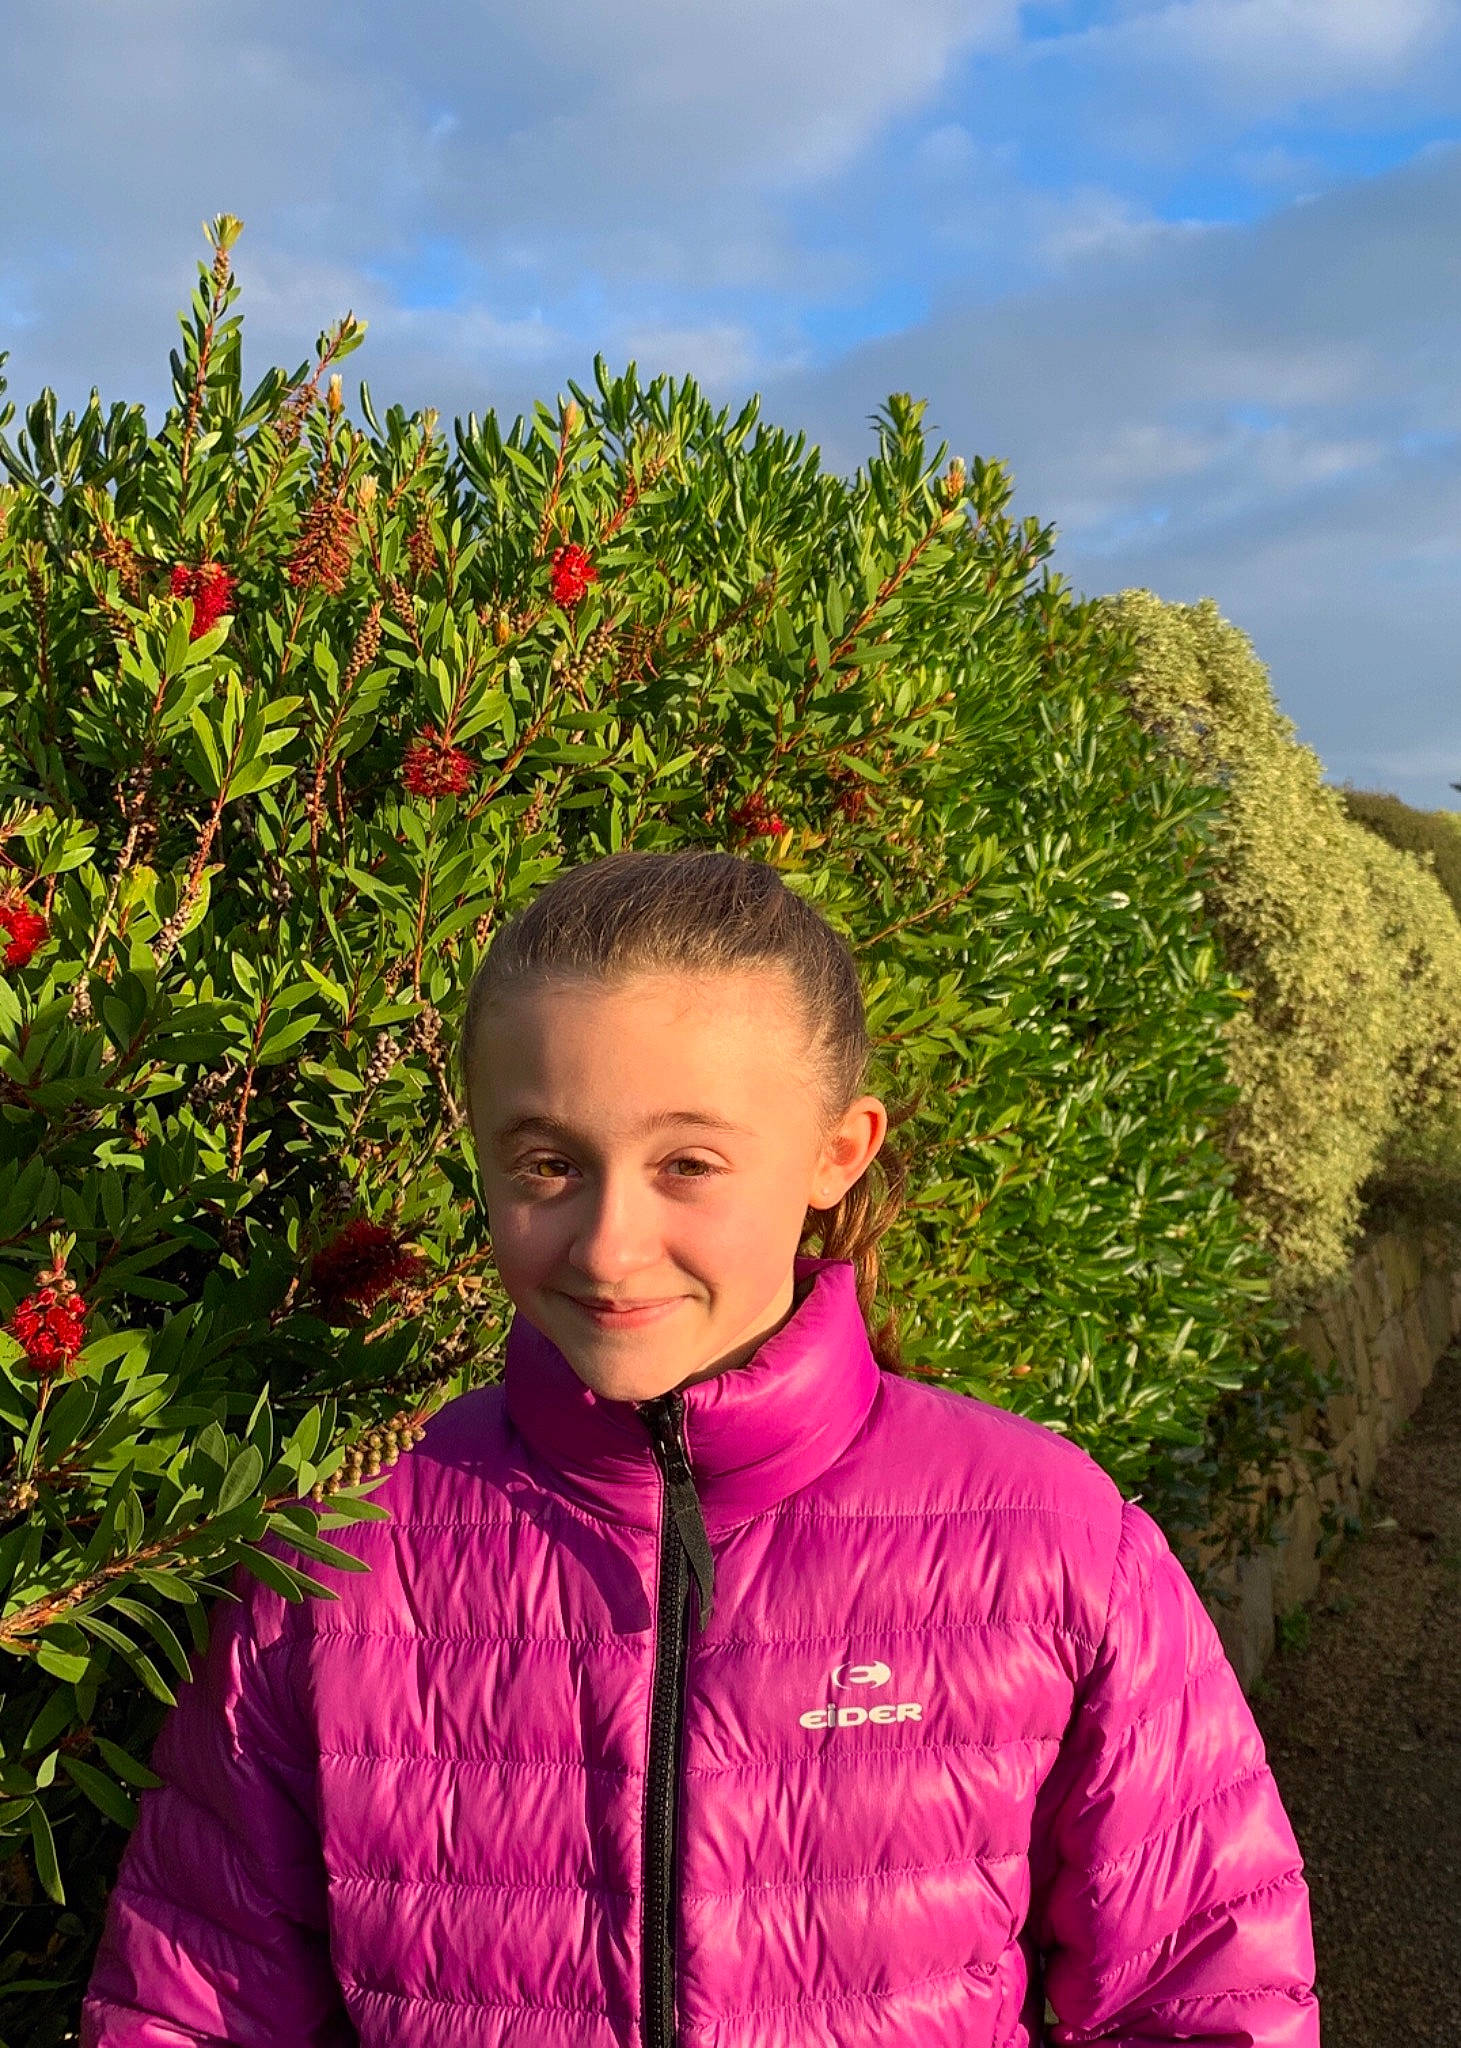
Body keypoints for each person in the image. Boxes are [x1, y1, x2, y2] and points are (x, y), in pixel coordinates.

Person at [82, 848, 1319, 2047]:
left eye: (688, 1163)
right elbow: (189, 2006)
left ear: (839, 1152)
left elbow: (1207, 1996)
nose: (610, 1244)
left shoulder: (1052, 1540)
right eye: (550, 1163)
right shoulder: (346, 1561)